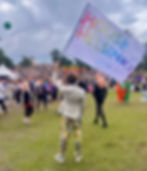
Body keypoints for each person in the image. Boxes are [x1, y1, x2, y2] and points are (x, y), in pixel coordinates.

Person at [52, 63, 86, 163]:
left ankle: (61, 156)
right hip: (77, 116)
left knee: (64, 136)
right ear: (76, 80)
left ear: (67, 80)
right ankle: (78, 156)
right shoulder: (81, 91)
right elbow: (82, 106)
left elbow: (55, 82)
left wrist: (55, 70)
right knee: (78, 136)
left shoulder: (64, 89)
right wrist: (81, 116)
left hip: (66, 115)